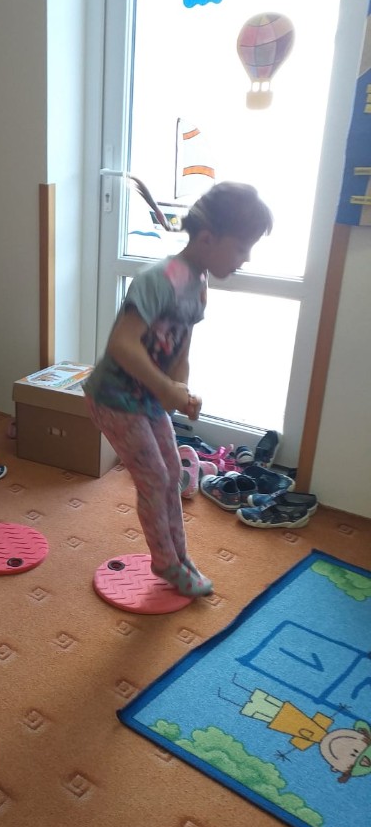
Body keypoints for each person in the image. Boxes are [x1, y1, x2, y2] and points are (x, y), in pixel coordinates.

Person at [83, 181, 273, 598]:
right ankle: (166, 562)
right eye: (241, 248)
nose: (245, 258)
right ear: (207, 239)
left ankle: (179, 557)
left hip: (147, 398)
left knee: (173, 475)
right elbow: (122, 343)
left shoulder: (199, 285)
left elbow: (181, 347)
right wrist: (165, 387)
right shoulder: (160, 279)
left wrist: (180, 390)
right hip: (113, 397)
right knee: (154, 479)